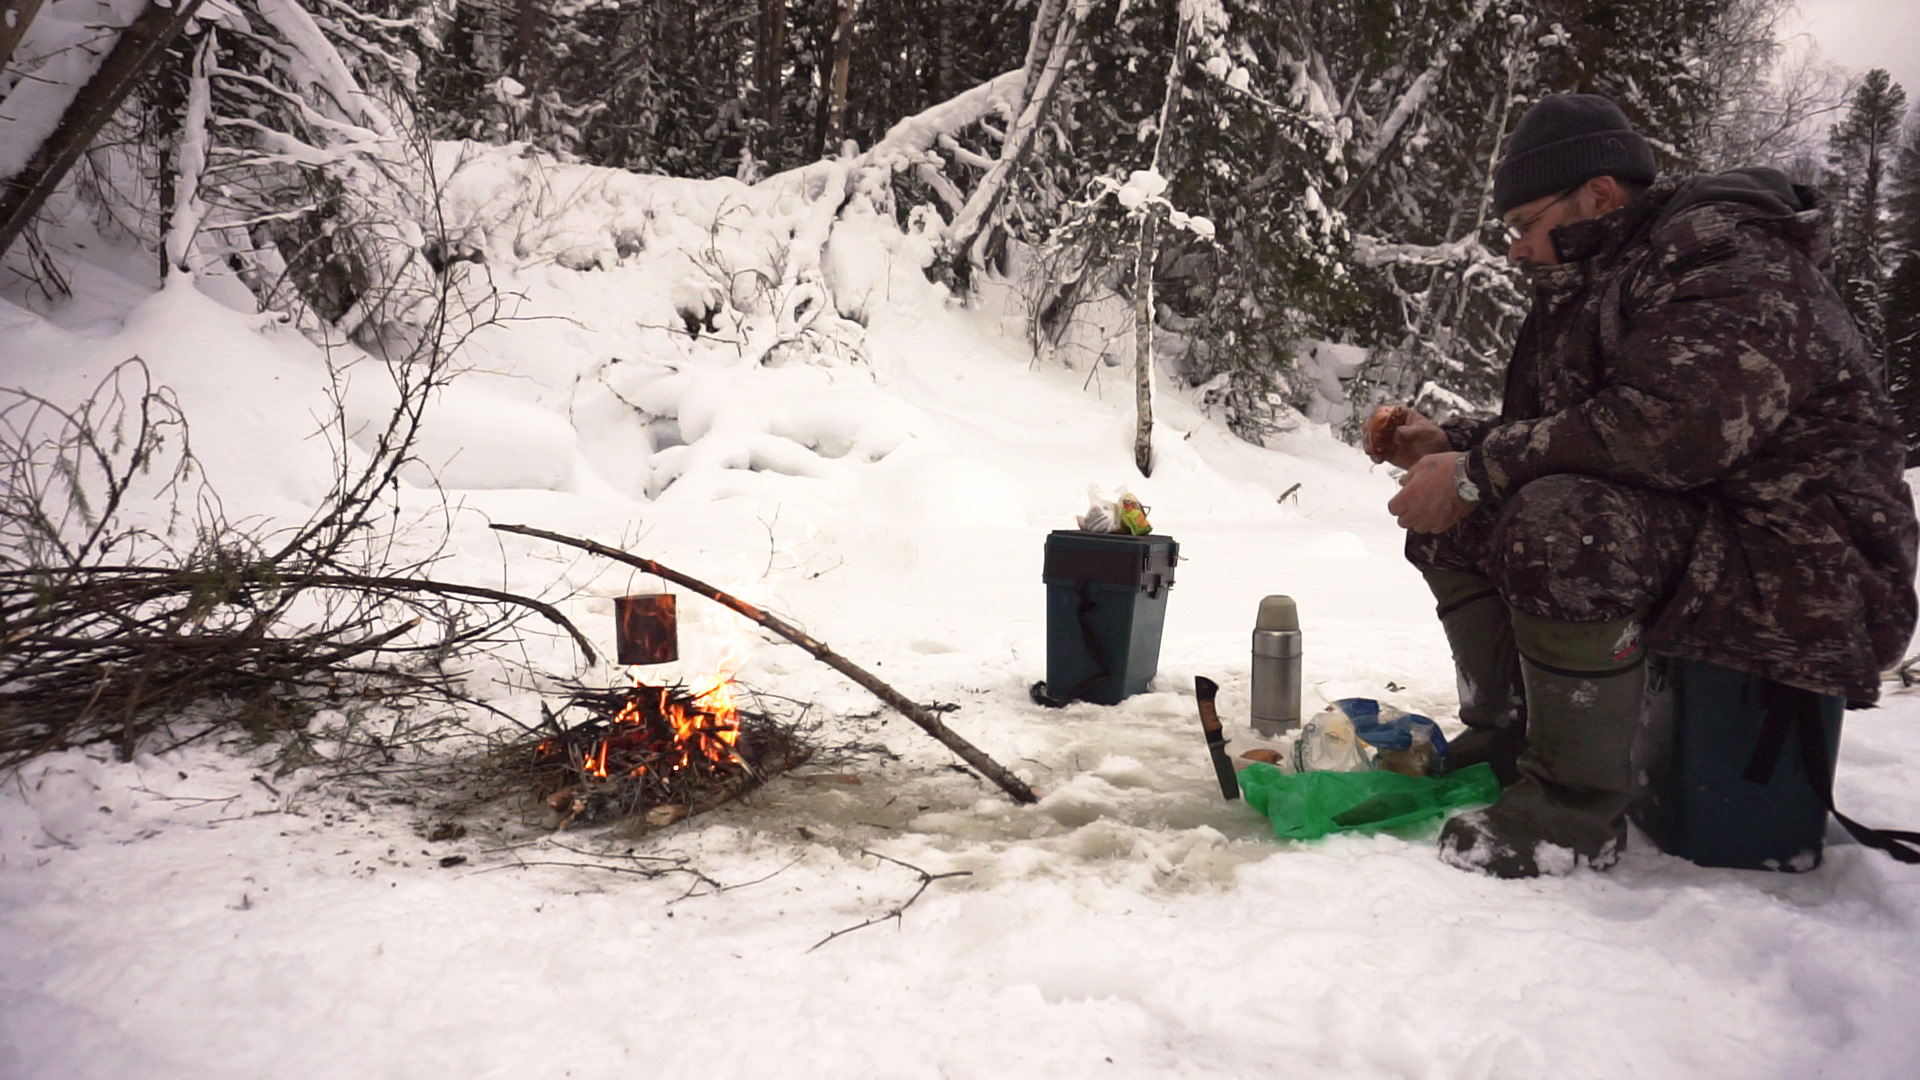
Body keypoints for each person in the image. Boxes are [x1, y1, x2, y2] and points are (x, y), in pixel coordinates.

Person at [1364, 92, 1920, 878]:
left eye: (1525, 223)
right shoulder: (1601, 278)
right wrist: (1451, 446)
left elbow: (1673, 432)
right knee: (1457, 512)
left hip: (1808, 569)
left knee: (1562, 522)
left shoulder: (1727, 259)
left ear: (1597, 196)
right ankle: (1510, 735)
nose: (1517, 248)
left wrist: (1478, 470)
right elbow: (1577, 431)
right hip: (1713, 533)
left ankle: (1569, 814)